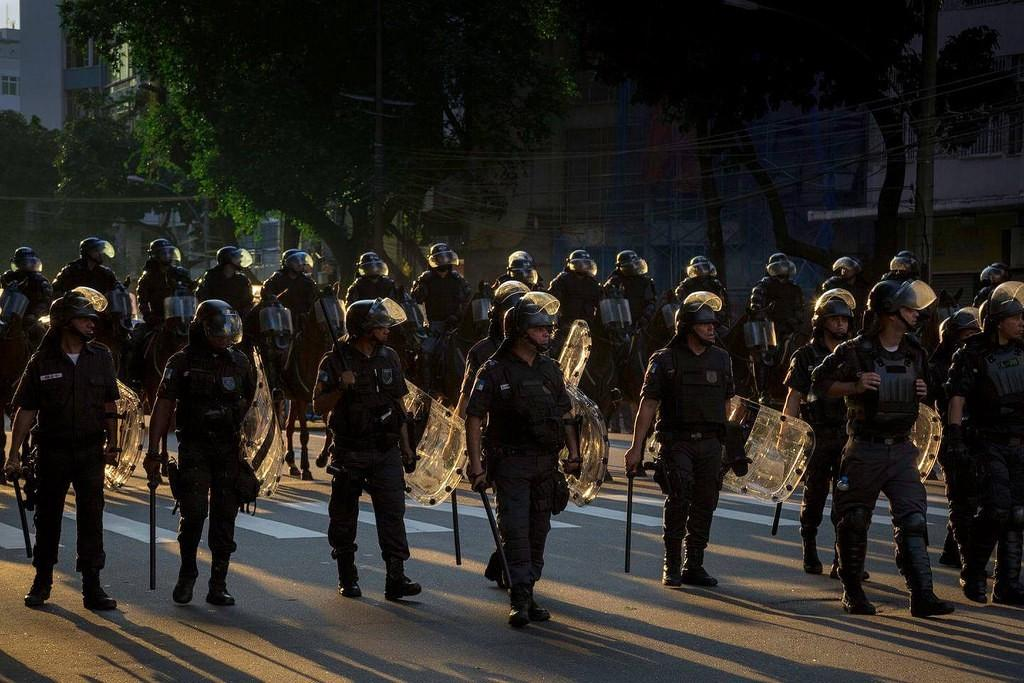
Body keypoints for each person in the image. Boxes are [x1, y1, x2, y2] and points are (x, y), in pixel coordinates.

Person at [811, 279, 955, 617]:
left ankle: (923, 595)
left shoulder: (915, 351)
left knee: (914, 521)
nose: (916, 314)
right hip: (864, 448)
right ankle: (853, 592)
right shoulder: (855, 350)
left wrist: (923, 388)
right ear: (889, 312)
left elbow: (932, 384)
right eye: (908, 308)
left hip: (902, 448)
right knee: (854, 519)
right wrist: (854, 385)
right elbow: (817, 383)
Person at [465, 291, 581, 627]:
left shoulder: (550, 369)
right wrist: (476, 466)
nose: (547, 333)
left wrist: (574, 455)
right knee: (515, 532)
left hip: (545, 464)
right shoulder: (493, 370)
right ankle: (519, 598)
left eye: (549, 329)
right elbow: (474, 418)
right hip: (510, 464)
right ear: (520, 331)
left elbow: (565, 414)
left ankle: (528, 589)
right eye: (540, 328)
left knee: (537, 533)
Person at [4, 288, 121, 610]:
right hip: (52, 451)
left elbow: (110, 404)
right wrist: (12, 454)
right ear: (64, 322)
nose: (91, 325)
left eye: (92, 320)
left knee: (91, 518)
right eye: (84, 319)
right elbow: (25, 410)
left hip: (90, 451)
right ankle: (42, 581)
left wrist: (115, 444)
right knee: (48, 517)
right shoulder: (42, 361)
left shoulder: (102, 358)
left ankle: (92, 587)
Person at [624, 291, 743, 589]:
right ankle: (672, 564)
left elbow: (731, 402)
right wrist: (635, 448)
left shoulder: (722, 358)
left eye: (713, 324)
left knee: (706, 501)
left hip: (712, 443)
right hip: (677, 442)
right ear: (688, 326)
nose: (712, 329)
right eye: (705, 325)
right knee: (679, 497)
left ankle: (695, 564)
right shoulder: (664, 360)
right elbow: (648, 405)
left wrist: (734, 438)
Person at [144, 299, 256, 606]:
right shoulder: (181, 361)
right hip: (194, 446)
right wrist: (154, 451)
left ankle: (218, 582)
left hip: (229, 449)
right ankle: (188, 572)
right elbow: (163, 406)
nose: (224, 335)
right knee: (193, 513)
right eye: (218, 329)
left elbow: (254, 407)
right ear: (202, 328)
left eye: (228, 329)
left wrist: (253, 449)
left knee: (225, 518)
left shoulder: (241, 362)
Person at [312, 297, 421, 601]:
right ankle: (348, 576)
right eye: (380, 324)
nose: (387, 329)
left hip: (385, 449)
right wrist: (340, 388)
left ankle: (396, 578)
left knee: (393, 513)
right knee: (344, 515)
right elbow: (318, 404)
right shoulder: (334, 360)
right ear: (363, 328)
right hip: (350, 450)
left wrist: (407, 446)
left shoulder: (390, 357)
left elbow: (399, 402)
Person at [946, 282, 1024, 606]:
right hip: (987, 441)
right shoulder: (973, 352)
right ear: (997, 319)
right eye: (1016, 317)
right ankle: (974, 571)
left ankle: (1007, 585)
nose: (1021, 322)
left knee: (1018, 514)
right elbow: (957, 396)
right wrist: (953, 436)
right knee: (995, 510)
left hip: (1019, 440)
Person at [782, 289, 855, 575]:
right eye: (835, 319)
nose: (840, 324)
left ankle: (844, 559)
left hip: (849, 434)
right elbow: (793, 396)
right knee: (815, 495)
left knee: (848, 498)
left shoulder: (854, 353)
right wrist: (786, 432)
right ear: (822, 321)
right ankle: (809, 549)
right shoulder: (805, 355)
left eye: (845, 320)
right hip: (816, 435)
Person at [927, 308, 981, 568]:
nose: (971, 338)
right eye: (966, 333)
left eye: (975, 333)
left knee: (977, 498)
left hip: (980, 436)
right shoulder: (937, 366)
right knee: (960, 498)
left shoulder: (978, 359)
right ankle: (965, 557)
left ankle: (952, 549)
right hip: (952, 436)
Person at [128, 239, 195, 384]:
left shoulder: (180, 273)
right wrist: (151, 318)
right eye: (163, 253)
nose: (168, 255)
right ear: (155, 256)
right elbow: (143, 303)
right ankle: (136, 378)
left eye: (169, 252)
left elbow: (191, 293)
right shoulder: (147, 278)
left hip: (183, 320)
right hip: (158, 321)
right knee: (136, 341)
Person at [410, 243, 472, 394]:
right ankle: (427, 388)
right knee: (426, 352)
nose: (444, 262)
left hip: (456, 325)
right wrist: (420, 288)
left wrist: (458, 315)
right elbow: (415, 299)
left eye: (446, 258)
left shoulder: (457, 279)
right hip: (435, 326)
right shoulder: (426, 279)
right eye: (440, 258)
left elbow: (467, 298)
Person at [747, 253, 805, 406]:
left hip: (789, 328)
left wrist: (794, 322)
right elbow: (756, 306)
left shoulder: (794, 289)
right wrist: (763, 313)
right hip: (768, 328)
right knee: (764, 357)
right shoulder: (763, 285)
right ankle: (763, 392)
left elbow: (799, 309)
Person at [0, 247, 53, 345]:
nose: (26, 265)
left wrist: (34, 315)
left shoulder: (40, 281)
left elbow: (46, 301)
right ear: (16, 263)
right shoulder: (8, 277)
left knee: (40, 334)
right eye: (23, 262)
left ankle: (40, 357)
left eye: (28, 262)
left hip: (30, 317)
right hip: (7, 315)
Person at [603, 250, 657, 331]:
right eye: (632, 265)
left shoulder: (645, 282)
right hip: (619, 325)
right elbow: (606, 304)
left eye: (636, 264)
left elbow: (651, 302)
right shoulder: (614, 282)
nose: (635, 267)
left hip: (641, 323)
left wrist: (645, 317)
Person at [195, 246, 255, 318]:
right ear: (227, 259)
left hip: (237, 319)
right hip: (214, 318)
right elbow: (203, 298)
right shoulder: (210, 277)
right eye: (236, 258)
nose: (240, 260)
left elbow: (248, 302)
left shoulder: (242, 280)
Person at [261, 250, 318, 321]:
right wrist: (271, 297)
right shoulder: (276, 279)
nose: (301, 264)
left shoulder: (307, 281)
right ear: (288, 263)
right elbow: (266, 294)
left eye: (302, 261)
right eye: (297, 261)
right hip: (281, 320)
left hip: (304, 320)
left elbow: (315, 299)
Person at [52, 237, 119, 296]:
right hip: (76, 308)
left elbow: (116, 289)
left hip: (99, 309)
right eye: (96, 251)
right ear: (87, 252)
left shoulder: (105, 273)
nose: (100, 254)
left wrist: (122, 287)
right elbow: (55, 290)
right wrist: (68, 295)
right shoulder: (71, 270)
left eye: (100, 251)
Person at [674, 256, 729, 324]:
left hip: (713, 313)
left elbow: (723, 300)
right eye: (698, 268)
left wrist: (723, 313)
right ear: (694, 269)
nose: (702, 270)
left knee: (723, 330)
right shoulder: (688, 282)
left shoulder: (715, 283)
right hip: (693, 314)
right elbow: (679, 295)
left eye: (704, 267)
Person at [819, 256, 870, 326]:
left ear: (855, 270)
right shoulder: (833, 283)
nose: (844, 270)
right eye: (842, 268)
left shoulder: (861, 288)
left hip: (855, 321)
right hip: (836, 319)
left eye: (848, 268)